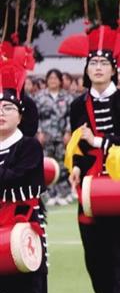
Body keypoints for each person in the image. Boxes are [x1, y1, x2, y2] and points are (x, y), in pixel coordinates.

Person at [60, 25, 120, 293]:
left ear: (113, 69)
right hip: (90, 179)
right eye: (93, 63)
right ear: (87, 69)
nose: (98, 68)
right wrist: (75, 166)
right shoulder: (77, 105)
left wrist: (99, 142)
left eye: (103, 63)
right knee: (94, 240)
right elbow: (78, 144)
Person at [0, 59, 50, 293]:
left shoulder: (29, 146)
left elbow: (22, 182)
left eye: (7, 107)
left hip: (22, 232)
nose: (1, 113)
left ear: (20, 114)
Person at [34, 69, 74, 205]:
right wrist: (39, 132)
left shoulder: (67, 97)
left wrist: (68, 132)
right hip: (45, 137)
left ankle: (64, 193)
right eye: (50, 78)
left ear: (60, 81)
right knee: (47, 165)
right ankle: (49, 194)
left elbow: (70, 117)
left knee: (63, 164)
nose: (53, 81)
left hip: (62, 137)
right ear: (46, 80)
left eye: (55, 78)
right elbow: (36, 117)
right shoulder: (40, 97)